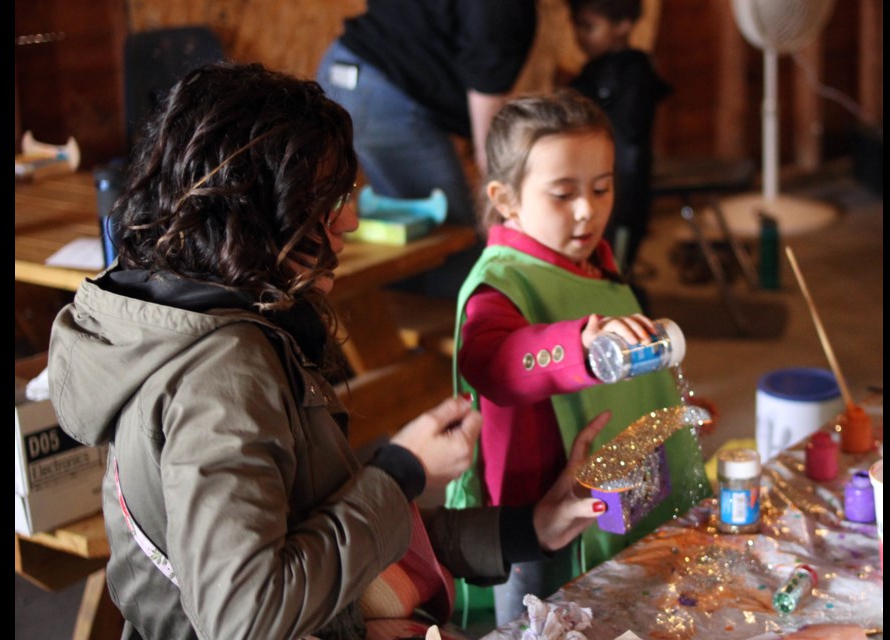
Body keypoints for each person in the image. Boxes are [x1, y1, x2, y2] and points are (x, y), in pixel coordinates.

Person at [47, 61, 614, 640]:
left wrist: (529, 528)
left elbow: (323, 538)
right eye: (327, 197)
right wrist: (399, 472)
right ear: (251, 209)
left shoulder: (206, 322)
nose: (351, 218)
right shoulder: (223, 370)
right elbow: (247, 615)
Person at [445, 89, 710, 626]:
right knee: (539, 622)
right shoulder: (499, 285)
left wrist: (666, 411)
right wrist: (582, 346)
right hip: (532, 515)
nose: (588, 210)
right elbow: (494, 363)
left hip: (605, 489)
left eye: (602, 187)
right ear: (506, 198)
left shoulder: (595, 264)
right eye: (563, 194)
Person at [316, 1, 537, 299]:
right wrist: (495, 200)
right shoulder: (502, 10)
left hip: (347, 69)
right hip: (380, 90)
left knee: (418, 234)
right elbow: (489, 128)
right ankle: (469, 334)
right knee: (456, 239)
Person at [563, 0, 672, 292]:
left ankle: (636, 325)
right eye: (578, 27)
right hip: (601, 182)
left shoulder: (635, 72)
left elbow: (629, 135)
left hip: (626, 187)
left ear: (623, 25)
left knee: (617, 270)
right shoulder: (595, 70)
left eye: (590, 27)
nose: (581, 36)